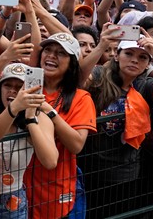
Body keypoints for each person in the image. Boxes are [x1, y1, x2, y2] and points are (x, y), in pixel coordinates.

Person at [81, 34, 153, 218]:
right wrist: (101, 45)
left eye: (143, 57)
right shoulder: (98, 75)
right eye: (129, 54)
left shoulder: (145, 85)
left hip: (126, 174)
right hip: (91, 169)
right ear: (116, 55)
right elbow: (77, 81)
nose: (134, 60)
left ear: (147, 64)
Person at [25, 32, 97, 219]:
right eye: (47, 50)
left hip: (55, 192)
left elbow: (76, 145)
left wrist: (48, 110)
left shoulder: (81, 98)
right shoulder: (22, 89)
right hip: (18, 190)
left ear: (72, 63)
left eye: (60, 53)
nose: (51, 56)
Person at [0, 63, 58, 219]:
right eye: (7, 85)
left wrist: (30, 118)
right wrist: (14, 108)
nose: (13, 91)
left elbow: (50, 161)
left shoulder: (41, 117)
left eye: (19, 87)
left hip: (14, 198)